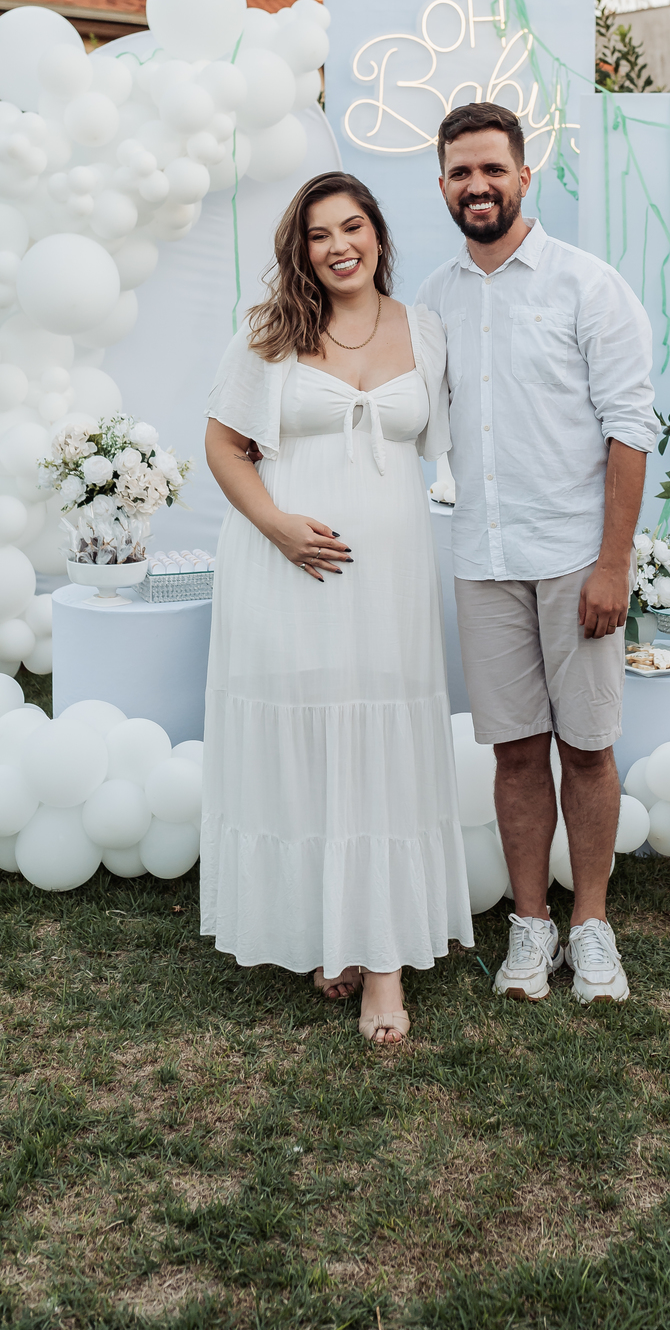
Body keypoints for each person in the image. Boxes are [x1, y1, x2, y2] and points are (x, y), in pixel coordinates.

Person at [201, 171, 473, 1045]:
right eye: (318, 234)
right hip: (289, 570)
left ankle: (382, 961)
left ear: (378, 235)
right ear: (302, 250)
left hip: (390, 575)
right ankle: (332, 929)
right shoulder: (270, 332)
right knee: (313, 741)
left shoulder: (425, 330)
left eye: (351, 227)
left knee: (382, 747)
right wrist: (278, 526)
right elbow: (223, 444)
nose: (337, 246)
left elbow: (457, 442)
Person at [417, 102, 656, 1005]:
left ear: (524, 175)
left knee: (586, 748)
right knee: (514, 753)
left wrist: (613, 563)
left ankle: (590, 925)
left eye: (492, 169)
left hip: (572, 558)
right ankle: (530, 924)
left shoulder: (588, 286)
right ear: (443, 185)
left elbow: (630, 428)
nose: (477, 185)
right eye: (460, 172)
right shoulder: (432, 300)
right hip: (483, 558)